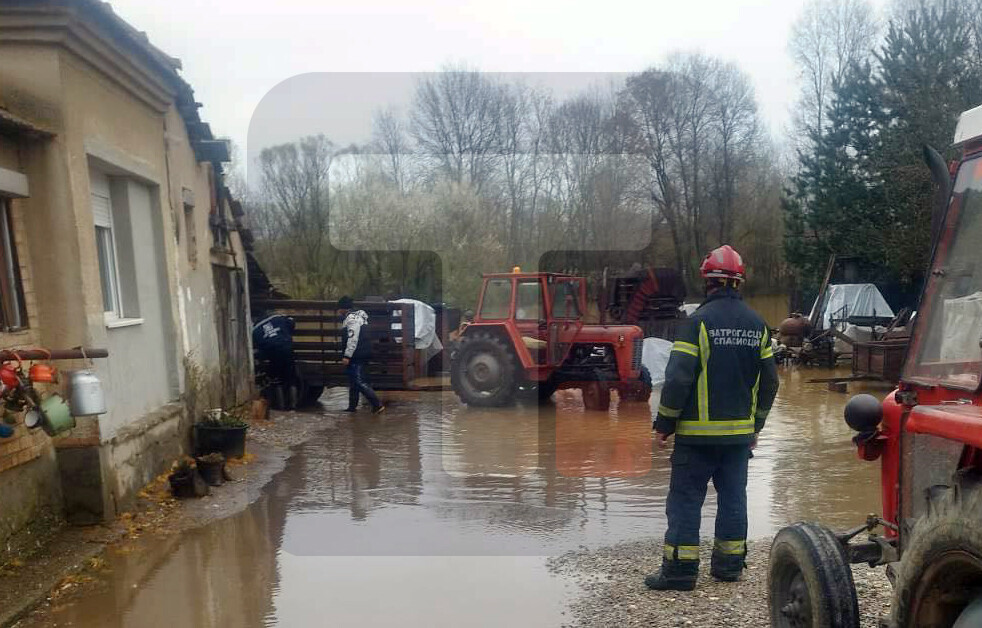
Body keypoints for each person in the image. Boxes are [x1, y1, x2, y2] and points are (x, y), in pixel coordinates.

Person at [645, 245, 779, 591]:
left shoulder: (697, 324)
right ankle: (729, 566)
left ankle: (680, 572)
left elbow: (677, 379)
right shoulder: (758, 325)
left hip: (696, 439)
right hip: (738, 440)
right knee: (734, 498)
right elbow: (771, 383)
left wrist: (664, 424)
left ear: (708, 282)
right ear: (739, 283)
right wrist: (757, 426)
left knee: (686, 501)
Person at [338, 296, 384, 414]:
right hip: (363, 352)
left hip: (357, 354)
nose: (338, 311)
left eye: (339, 308)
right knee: (354, 381)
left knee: (358, 381)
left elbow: (352, 338)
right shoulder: (359, 317)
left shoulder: (351, 319)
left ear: (343, 308)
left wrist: (347, 356)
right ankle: (352, 407)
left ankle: (377, 404)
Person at [252, 309, 298, 409]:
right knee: (292, 378)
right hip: (286, 347)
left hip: (272, 352)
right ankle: (293, 406)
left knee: (277, 379)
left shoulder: (255, 329)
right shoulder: (278, 317)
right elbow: (291, 322)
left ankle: (281, 406)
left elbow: (258, 346)